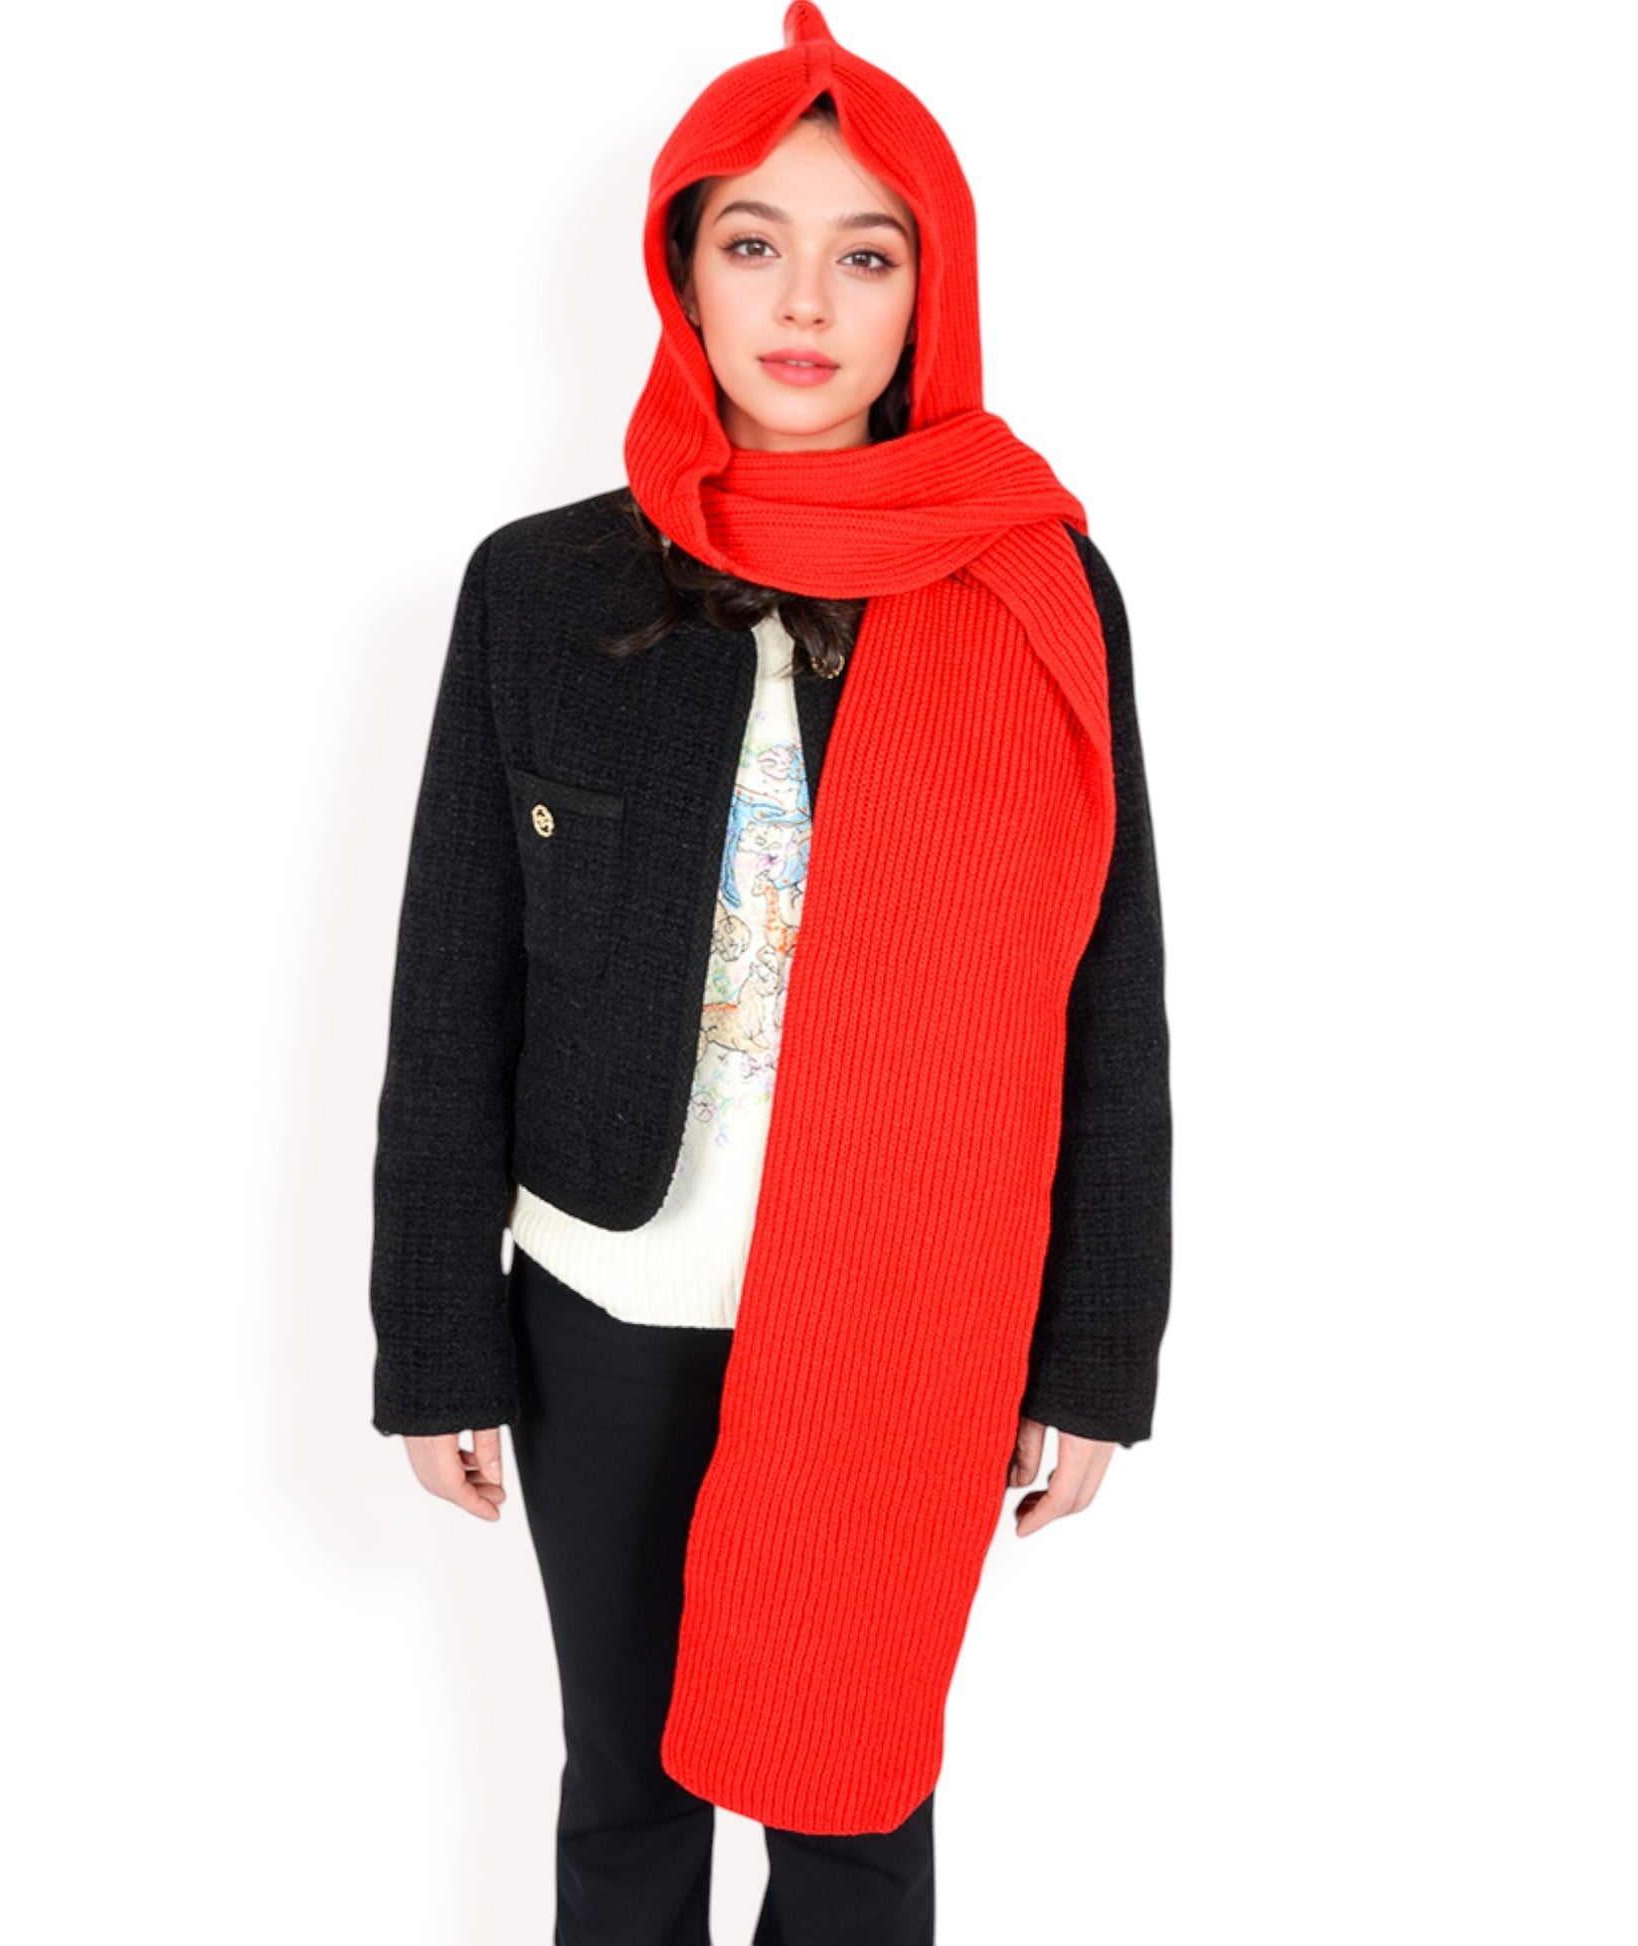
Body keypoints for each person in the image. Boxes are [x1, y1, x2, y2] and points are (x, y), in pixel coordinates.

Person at [367, 7, 1172, 1940]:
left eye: (864, 253)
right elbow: (450, 982)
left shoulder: (1031, 583)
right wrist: (434, 1337)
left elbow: (1106, 995)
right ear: (682, 269)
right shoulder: (540, 586)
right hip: (607, 1293)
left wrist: (1092, 1354)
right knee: (626, 1797)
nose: (804, 300)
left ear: (925, 292)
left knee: (854, 1814)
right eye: (754, 241)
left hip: (916, 1305)